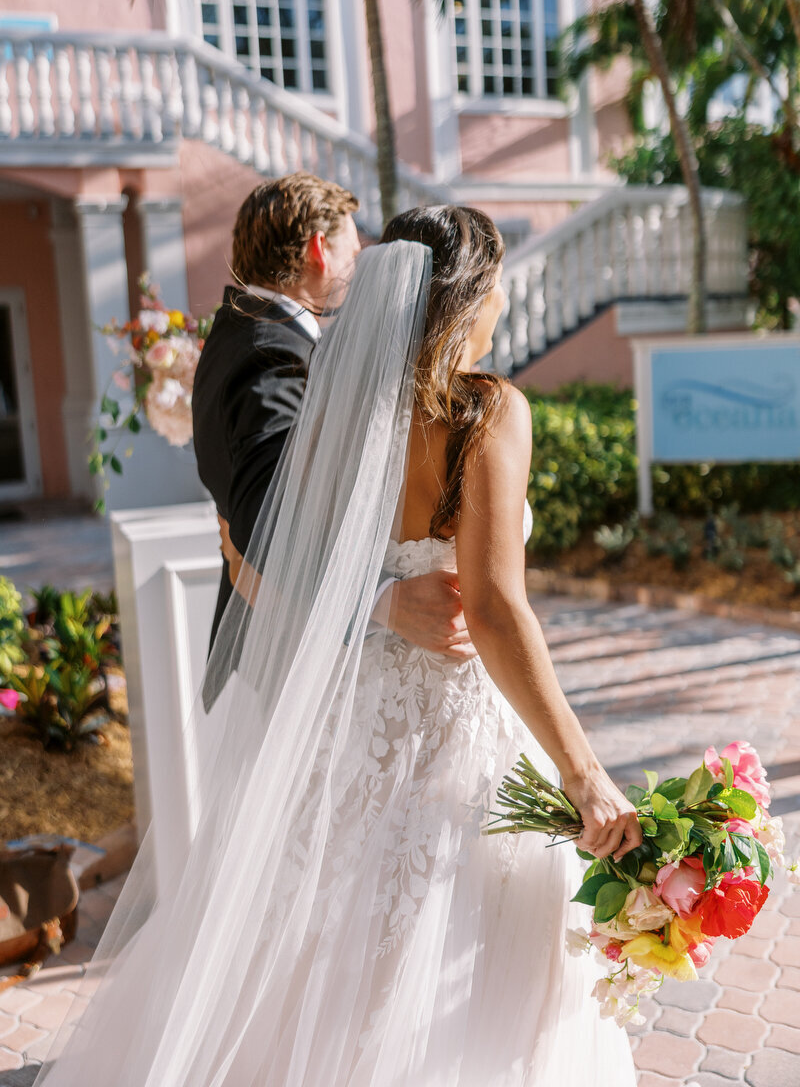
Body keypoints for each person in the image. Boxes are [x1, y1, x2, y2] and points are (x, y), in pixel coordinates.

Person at [34, 206, 640, 1086]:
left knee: (322, 950)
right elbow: (498, 612)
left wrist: (371, 609)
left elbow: (243, 554)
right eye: (499, 280)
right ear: (473, 294)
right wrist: (585, 774)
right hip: (452, 736)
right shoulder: (486, 410)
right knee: (455, 961)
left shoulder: (328, 417)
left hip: (347, 727)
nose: (505, 301)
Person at [192, 173, 477, 713]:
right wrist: (380, 601)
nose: (364, 258)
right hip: (282, 655)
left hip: (262, 636)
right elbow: (266, 519)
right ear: (319, 250)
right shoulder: (272, 352)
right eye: (355, 244)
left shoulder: (238, 330)